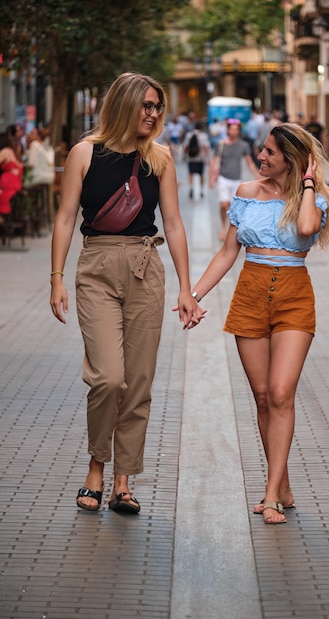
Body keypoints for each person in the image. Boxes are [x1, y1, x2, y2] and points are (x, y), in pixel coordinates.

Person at [50, 72, 205, 514]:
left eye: (158, 107)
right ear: (123, 105)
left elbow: (173, 224)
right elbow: (64, 218)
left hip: (144, 267)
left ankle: (122, 482)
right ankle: (96, 466)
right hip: (96, 266)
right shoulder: (85, 153)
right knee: (108, 378)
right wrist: (56, 276)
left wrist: (186, 289)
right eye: (147, 106)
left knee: (137, 382)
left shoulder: (160, 158)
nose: (154, 114)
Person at [190, 123, 329, 524]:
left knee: (281, 392)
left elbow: (305, 229)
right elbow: (226, 253)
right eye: (262, 150)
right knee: (262, 397)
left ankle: (270, 495)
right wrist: (193, 295)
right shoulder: (245, 194)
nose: (262, 157)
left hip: (294, 298)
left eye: (271, 152)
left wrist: (306, 183)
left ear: (291, 158)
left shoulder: (314, 199)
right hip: (251, 296)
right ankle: (282, 483)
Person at [209, 118, 259, 241]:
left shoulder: (243, 145)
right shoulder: (221, 144)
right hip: (223, 178)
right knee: (224, 204)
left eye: (236, 129)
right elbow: (214, 161)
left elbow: (250, 162)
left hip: (236, 180)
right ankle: (222, 227)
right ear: (227, 130)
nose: (234, 131)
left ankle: (232, 230)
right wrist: (211, 178)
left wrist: (257, 175)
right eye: (232, 129)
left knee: (234, 207)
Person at [183, 120, 210, 199]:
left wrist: (184, 155)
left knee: (191, 173)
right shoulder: (203, 136)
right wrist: (208, 157)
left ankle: (191, 188)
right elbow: (206, 147)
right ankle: (201, 190)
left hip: (191, 158)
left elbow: (186, 146)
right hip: (200, 159)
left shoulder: (189, 135)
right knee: (201, 174)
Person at [0, 132, 24, 222]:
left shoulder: (6, 151)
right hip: (16, 184)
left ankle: (2, 220)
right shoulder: (14, 152)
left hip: (8, 184)